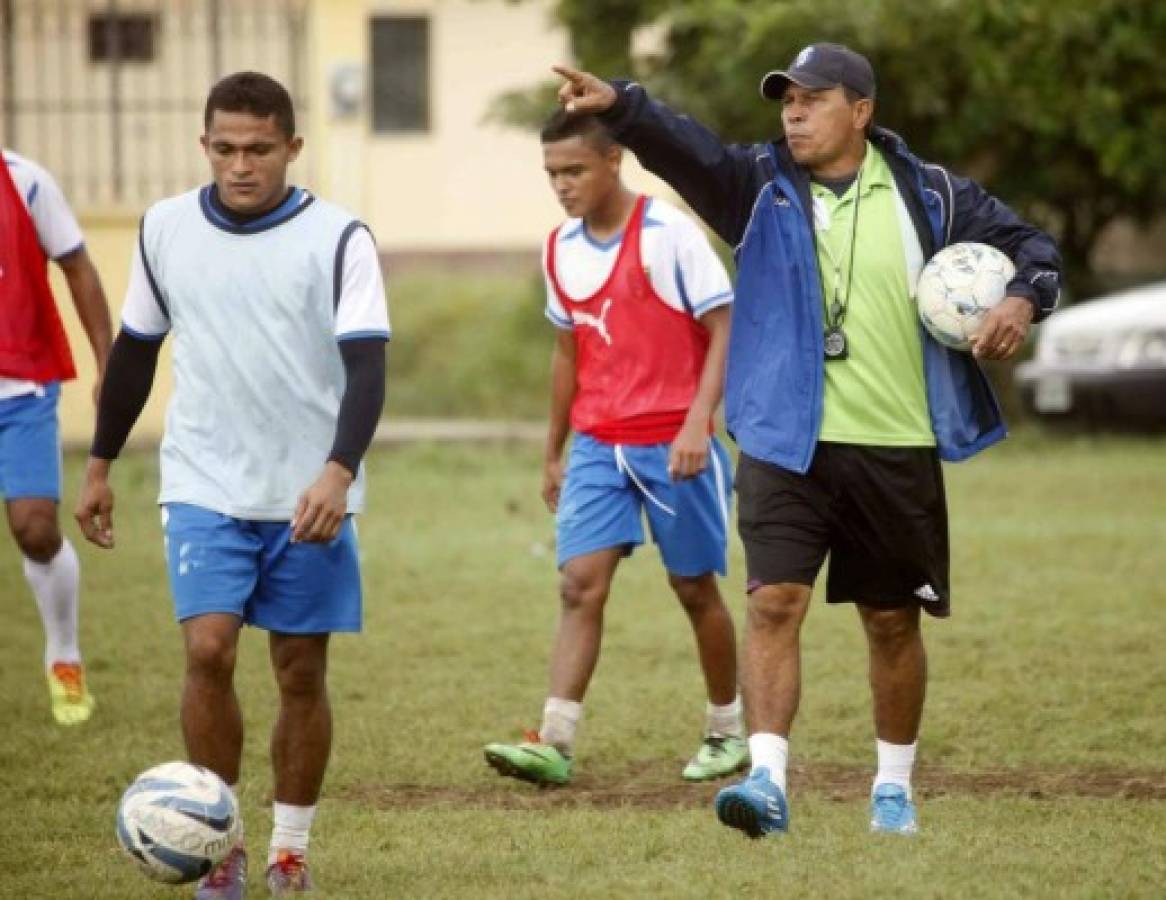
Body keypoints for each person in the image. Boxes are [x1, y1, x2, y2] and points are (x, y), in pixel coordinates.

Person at [553, 43, 1061, 836]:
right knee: (774, 604)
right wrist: (620, 104)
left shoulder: (930, 195)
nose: (792, 112)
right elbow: (683, 147)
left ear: (860, 111)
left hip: (896, 443)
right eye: (786, 99)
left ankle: (892, 787)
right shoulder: (755, 187)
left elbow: (1035, 248)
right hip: (785, 443)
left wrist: (1022, 302)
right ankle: (767, 782)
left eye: (813, 99)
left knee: (892, 622)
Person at [75, 72, 389, 897]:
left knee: (298, 671)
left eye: (258, 149)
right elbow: (136, 353)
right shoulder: (166, 229)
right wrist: (101, 463)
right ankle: (222, 849)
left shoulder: (340, 237)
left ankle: (290, 849)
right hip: (203, 478)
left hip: (308, 495)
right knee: (207, 649)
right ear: (204, 145)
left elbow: (366, 369)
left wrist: (338, 467)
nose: (241, 165)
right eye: (225, 149)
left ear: (291, 146)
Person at [483, 110, 747, 787]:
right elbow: (567, 352)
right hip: (600, 442)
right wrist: (554, 449)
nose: (562, 186)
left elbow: (724, 328)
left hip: (674, 442)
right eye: (551, 174)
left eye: (573, 170)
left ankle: (727, 729)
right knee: (578, 584)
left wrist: (698, 421)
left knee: (693, 587)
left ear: (613, 161)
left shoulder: (669, 234)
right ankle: (555, 740)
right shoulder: (558, 248)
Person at [1, 147, 112, 725]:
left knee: (35, 527)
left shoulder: (26, 182)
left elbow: (78, 266)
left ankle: (63, 657)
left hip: (21, 388)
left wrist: (105, 363)